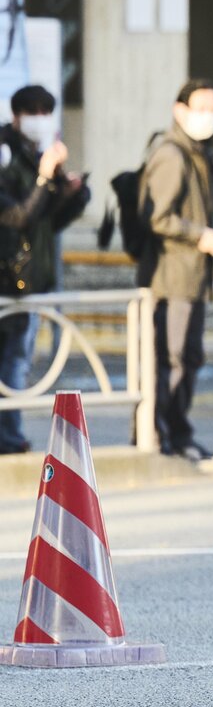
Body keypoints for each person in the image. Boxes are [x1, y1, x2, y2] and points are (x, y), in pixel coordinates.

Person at [138, 79, 213, 461]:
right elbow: (158, 218)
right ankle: (160, 436)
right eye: (200, 109)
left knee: (189, 358)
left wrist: (212, 231)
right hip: (170, 277)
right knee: (172, 359)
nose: (208, 117)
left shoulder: (197, 153)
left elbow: (192, 213)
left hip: (191, 275)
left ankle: (178, 434)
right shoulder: (171, 155)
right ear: (179, 111)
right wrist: (201, 235)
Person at [0, 86, 90, 454]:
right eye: (32, 111)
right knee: (13, 362)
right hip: (7, 277)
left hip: (30, 278)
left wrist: (70, 192)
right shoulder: (7, 157)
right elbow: (17, 216)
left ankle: (10, 434)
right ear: (16, 115)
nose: (40, 119)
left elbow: (47, 223)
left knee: (17, 361)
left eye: (46, 112)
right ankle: (8, 437)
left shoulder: (37, 154)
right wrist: (42, 178)